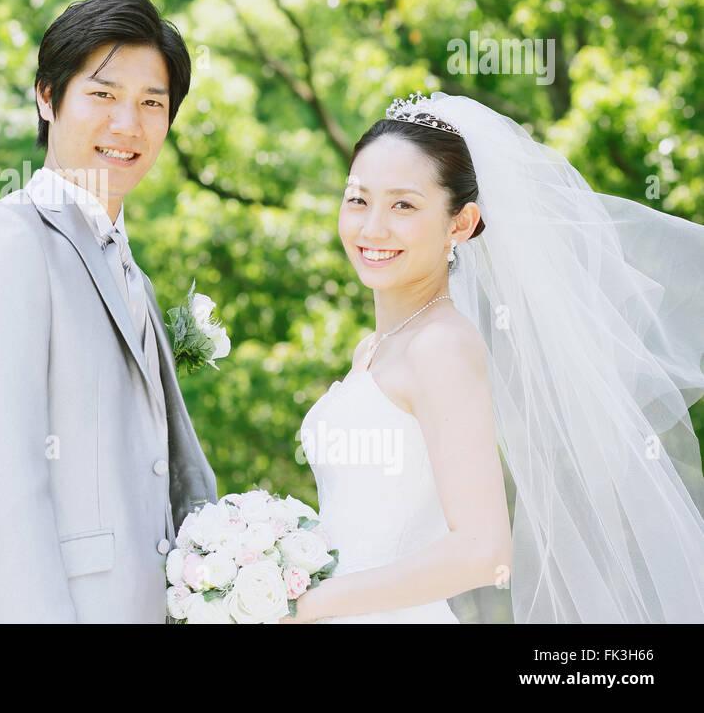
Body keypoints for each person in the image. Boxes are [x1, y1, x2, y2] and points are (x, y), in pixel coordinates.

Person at [287, 91, 704, 623]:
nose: (372, 228)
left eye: (404, 205)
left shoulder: (440, 346)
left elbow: (483, 549)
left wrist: (302, 606)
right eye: (358, 199)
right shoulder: (374, 348)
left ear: (459, 224)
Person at [0, 0, 219, 623]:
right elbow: (2, 488)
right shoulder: (5, 240)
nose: (127, 125)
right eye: (103, 95)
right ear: (47, 97)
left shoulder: (129, 268)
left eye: (151, 104)